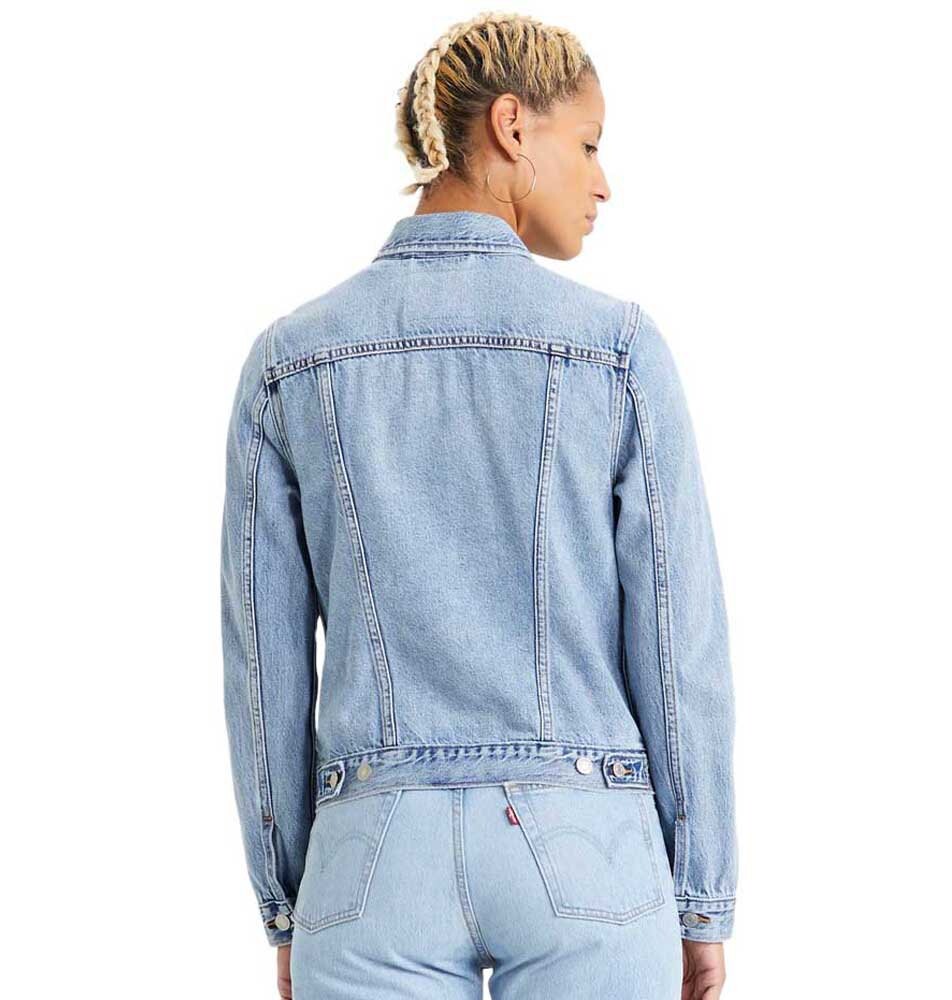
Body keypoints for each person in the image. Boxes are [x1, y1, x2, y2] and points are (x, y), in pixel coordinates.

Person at [220, 11, 738, 999]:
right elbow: (680, 651)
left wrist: (289, 901)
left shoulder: (291, 361)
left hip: (370, 864)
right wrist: (700, 897)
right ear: (511, 126)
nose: (602, 182)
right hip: (590, 853)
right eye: (588, 144)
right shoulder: (618, 353)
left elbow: (264, 672)